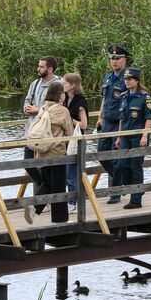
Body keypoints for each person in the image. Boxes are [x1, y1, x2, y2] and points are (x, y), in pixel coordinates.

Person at [23, 81, 73, 224]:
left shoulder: (44, 108)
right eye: (63, 93)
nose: (65, 96)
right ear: (60, 95)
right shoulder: (62, 110)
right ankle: (60, 219)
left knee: (48, 183)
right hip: (57, 153)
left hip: (42, 152)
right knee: (59, 188)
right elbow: (69, 132)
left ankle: (34, 206)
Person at [22, 56, 60, 216]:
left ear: (50, 69)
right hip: (33, 132)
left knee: (46, 168)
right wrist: (26, 107)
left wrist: (38, 110)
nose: (38, 69)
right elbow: (27, 100)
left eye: (41, 66)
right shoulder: (35, 83)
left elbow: (58, 108)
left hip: (47, 133)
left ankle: (45, 199)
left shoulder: (58, 84)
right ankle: (46, 190)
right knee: (28, 162)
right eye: (38, 66)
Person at [115, 67, 151, 210]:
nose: (126, 81)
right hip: (125, 135)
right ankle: (137, 188)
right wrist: (118, 137)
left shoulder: (144, 97)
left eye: (129, 79)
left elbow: (148, 118)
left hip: (138, 136)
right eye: (125, 79)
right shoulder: (124, 96)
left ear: (136, 81)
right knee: (121, 165)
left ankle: (136, 200)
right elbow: (121, 119)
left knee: (135, 166)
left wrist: (145, 135)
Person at [99, 44, 130, 203]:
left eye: (117, 58)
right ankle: (124, 180)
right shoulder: (108, 77)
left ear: (124, 59)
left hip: (120, 122)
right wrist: (100, 117)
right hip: (107, 122)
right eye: (112, 58)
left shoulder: (128, 78)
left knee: (117, 158)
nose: (114, 61)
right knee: (102, 155)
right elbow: (104, 99)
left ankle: (116, 193)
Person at [62, 72, 89, 210]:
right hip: (66, 140)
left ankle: (73, 203)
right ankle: (75, 200)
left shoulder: (80, 102)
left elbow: (84, 125)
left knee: (71, 173)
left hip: (76, 141)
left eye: (65, 83)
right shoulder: (65, 98)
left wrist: (69, 119)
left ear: (72, 85)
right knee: (67, 172)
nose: (63, 85)